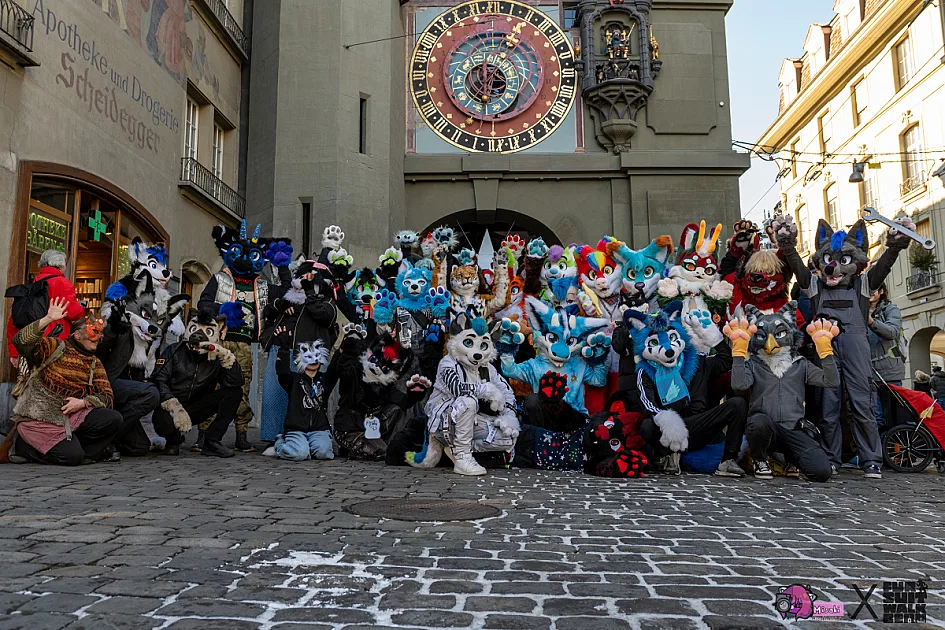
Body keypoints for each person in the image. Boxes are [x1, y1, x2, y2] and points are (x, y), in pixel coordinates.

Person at [6, 298, 122, 465]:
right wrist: (47, 320)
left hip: (71, 416)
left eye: (100, 334)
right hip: (40, 417)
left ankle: (78, 450)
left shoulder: (94, 363)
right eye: (93, 332)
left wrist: (83, 403)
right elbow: (21, 341)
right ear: (77, 335)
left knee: (113, 419)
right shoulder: (55, 347)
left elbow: (107, 396)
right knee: (71, 457)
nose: (98, 338)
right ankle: (24, 446)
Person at [150, 309, 244, 457]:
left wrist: (225, 356)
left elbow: (236, 382)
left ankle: (212, 441)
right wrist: (175, 408)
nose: (198, 335)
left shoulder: (215, 358)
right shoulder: (173, 351)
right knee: (164, 423)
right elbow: (159, 380)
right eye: (195, 328)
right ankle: (174, 440)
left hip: (196, 406)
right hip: (170, 407)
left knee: (234, 393)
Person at [6, 249, 85, 368]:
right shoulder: (63, 283)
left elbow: (14, 320)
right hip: (54, 343)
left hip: (30, 344)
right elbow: (73, 312)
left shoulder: (31, 284)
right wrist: (81, 308)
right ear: (61, 265)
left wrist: (14, 352)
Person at [267, 340, 335, 462]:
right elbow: (282, 372)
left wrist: (342, 349)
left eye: (316, 357)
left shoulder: (325, 379)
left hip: (319, 428)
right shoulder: (293, 380)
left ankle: (308, 446)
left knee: (324, 453)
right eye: (308, 357)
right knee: (299, 454)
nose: (313, 361)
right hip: (296, 428)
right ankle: (280, 443)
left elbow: (336, 367)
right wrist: (284, 349)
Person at [868, 284, 904, 431]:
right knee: (876, 417)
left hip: (890, 372)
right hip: (869, 373)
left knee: (895, 416)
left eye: (873, 289)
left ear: (881, 291)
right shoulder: (858, 310)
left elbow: (892, 332)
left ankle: (896, 450)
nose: (869, 293)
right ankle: (880, 450)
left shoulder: (891, 309)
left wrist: (871, 322)